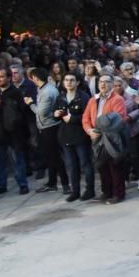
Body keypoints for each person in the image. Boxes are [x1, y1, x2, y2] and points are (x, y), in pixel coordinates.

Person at [0, 67, 31, 196]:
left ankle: (23, 184)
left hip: (14, 132)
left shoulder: (15, 92)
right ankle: (1, 185)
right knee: (0, 161)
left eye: (1, 77)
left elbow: (19, 112)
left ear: (8, 78)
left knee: (17, 160)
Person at [81, 74, 127, 203]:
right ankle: (106, 192)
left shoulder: (117, 99)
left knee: (115, 167)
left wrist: (102, 130)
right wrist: (89, 130)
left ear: (112, 84)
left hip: (111, 138)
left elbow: (119, 118)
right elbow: (85, 118)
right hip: (96, 138)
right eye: (101, 81)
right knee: (101, 167)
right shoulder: (92, 100)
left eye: (106, 82)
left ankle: (118, 194)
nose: (103, 84)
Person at [25, 67, 67, 194]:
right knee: (49, 156)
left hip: (50, 127)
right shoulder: (43, 88)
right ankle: (52, 183)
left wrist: (30, 103)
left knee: (55, 157)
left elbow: (41, 112)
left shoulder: (47, 91)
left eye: (31, 77)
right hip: (46, 126)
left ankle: (65, 184)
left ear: (35, 78)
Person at [55, 73, 94, 202]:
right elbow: (54, 112)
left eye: (72, 80)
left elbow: (88, 116)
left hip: (80, 135)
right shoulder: (60, 97)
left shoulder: (83, 97)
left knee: (85, 163)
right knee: (72, 165)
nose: (69, 82)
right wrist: (55, 114)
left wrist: (73, 119)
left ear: (77, 82)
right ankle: (75, 191)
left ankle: (90, 190)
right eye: (66, 80)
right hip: (65, 136)